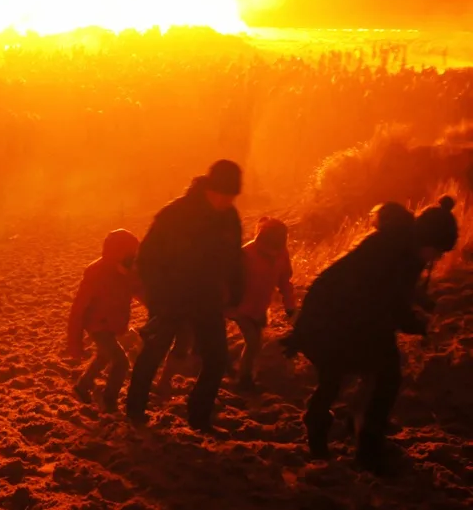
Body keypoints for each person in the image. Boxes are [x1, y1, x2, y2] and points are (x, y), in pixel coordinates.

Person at [281, 196, 458, 473]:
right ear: (426, 239)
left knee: (367, 374)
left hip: (349, 318)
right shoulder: (390, 251)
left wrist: (422, 306)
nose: (435, 258)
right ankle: (352, 441)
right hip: (332, 318)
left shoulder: (403, 248)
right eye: (436, 250)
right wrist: (416, 323)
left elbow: (396, 293)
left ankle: (360, 429)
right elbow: (385, 297)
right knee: (357, 375)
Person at [126, 159, 245, 431]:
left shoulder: (229, 218)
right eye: (224, 194)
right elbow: (147, 260)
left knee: (216, 359)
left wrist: (235, 297)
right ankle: (134, 412)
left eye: (232, 196)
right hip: (171, 300)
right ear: (209, 189)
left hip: (207, 298)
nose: (227, 201)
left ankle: (199, 418)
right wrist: (159, 301)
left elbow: (235, 260)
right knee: (153, 354)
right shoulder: (175, 214)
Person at [67, 229, 141, 411]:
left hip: (114, 322)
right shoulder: (95, 273)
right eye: (129, 258)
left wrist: (157, 308)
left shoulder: (127, 272)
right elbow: (78, 310)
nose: (132, 262)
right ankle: (108, 401)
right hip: (97, 324)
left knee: (104, 355)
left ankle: (82, 386)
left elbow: (139, 291)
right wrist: (75, 343)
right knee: (121, 362)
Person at [227, 217, 296, 391]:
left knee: (255, 344)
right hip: (240, 307)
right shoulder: (245, 255)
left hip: (260, 307)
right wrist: (227, 306)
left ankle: (241, 371)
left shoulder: (282, 253)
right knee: (253, 342)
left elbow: (285, 281)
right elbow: (229, 283)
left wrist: (290, 306)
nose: (273, 253)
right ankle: (244, 380)